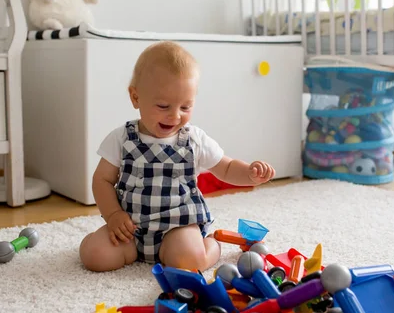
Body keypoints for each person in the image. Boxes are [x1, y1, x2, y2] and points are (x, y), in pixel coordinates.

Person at [79, 41, 275, 272]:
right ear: (135, 97)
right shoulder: (122, 137)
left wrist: (250, 174)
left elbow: (227, 167)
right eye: (163, 106)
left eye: (185, 107)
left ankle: (211, 245)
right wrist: (113, 215)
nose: (174, 116)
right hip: (130, 228)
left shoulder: (194, 139)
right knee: (94, 256)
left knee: (190, 262)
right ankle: (110, 246)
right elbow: (102, 179)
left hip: (178, 227)